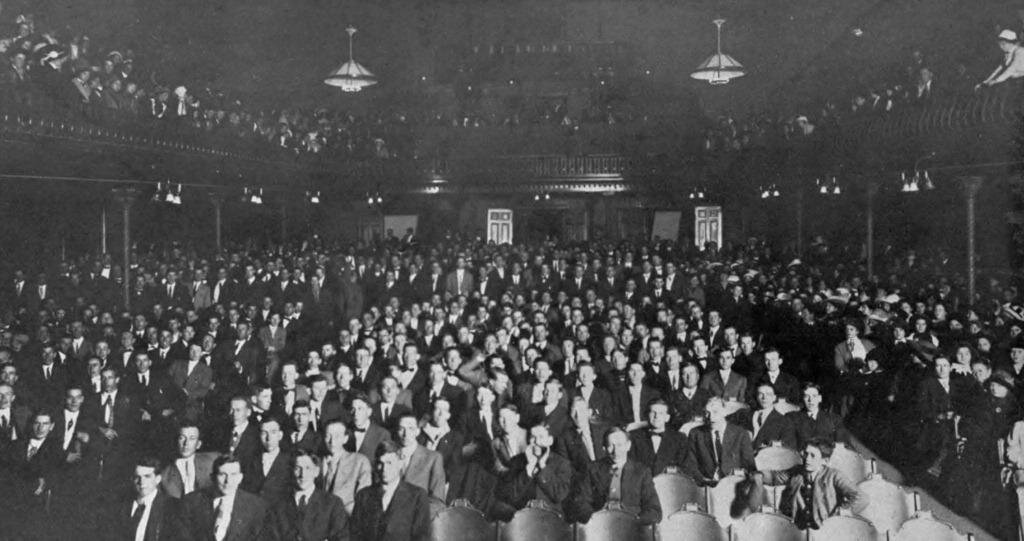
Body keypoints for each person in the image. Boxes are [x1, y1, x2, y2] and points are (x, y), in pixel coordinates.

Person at [761, 439, 868, 529]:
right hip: (798, 531)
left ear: (825, 461)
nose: (807, 459)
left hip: (825, 532)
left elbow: (861, 498)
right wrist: (755, 474)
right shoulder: (797, 471)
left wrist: (839, 515)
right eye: (806, 454)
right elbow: (774, 477)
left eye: (813, 456)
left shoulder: (834, 476)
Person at [570, 427, 662, 525]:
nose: (616, 451)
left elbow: (654, 509)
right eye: (611, 446)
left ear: (628, 445)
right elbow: (580, 502)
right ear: (604, 448)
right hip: (600, 526)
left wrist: (636, 522)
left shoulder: (642, 472)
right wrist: (593, 519)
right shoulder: (592, 469)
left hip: (632, 529)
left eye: (620, 445)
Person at [350, 440, 431, 541]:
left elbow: (422, 537)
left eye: (389, 463)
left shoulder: (417, 496)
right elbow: (355, 536)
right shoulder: (364, 495)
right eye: (380, 463)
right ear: (375, 465)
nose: (384, 469)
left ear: (400, 464)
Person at [181, 454, 268, 541]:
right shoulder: (191, 502)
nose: (228, 481)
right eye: (222, 474)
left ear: (240, 478)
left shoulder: (256, 506)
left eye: (233, 474)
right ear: (213, 477)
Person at [266, 450, 349, 541]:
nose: (303, 474)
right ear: (291, 471)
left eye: (308, 468)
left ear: (316, 472)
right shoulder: (278, 505)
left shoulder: (332, 504)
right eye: (298, 468)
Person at [103, 457, 183, 540]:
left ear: (158, 479)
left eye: (147, 476)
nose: (141, 482)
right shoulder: (120, 504)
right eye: (137, 477)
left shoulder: (171, 507)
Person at [502, 423, 573, 513]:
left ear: (550, 440)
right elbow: (510, 496)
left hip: (551, 520)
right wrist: (528, 471)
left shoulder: (562, 463)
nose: (536, 442)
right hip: (523, 519)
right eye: (533, 437)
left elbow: (558, 496)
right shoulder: (516, 461)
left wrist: (543, 467)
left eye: (541, 437)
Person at [685, 397, 755, 485]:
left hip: (733, 484)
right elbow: (690, 463)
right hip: (705, 484)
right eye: (707, 413)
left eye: (715, 412)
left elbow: (749, 465)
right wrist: (701, 479)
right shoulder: (696, 433)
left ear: (725, 412)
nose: (711, 417)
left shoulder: (740, 434)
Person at [321, 420, 373, 514]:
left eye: (337, 436)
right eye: (328, 436)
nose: (332, 441)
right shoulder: (316, 462)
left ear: (345, 438)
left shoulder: (359, 461)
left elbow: (363, 500)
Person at [241, 417, 294, 505]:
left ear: (280, 435)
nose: (268, 438)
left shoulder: (290, 461)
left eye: (273, 432)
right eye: (264, 433)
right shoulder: (250, 460)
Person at [629, 399, 689, 475]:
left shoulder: (680, 438)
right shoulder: (634, 437)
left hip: (670, 483)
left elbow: (685, 467)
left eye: (661, 413)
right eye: (653, 412)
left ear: (667, 418)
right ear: (647, 415)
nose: (656, 416)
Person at [394, 414, 446, 502]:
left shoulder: (433, 458)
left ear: (418, 431)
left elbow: (437, 501)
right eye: (401, 429)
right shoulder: (390, 455)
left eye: (410, 428)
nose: (405, 434)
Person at [160, 423, 216, 498]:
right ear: (176, 441)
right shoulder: (164, 473)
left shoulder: (212, 461)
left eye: (192, 438)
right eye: (182, 438)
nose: (186, 443)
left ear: (198, 444)